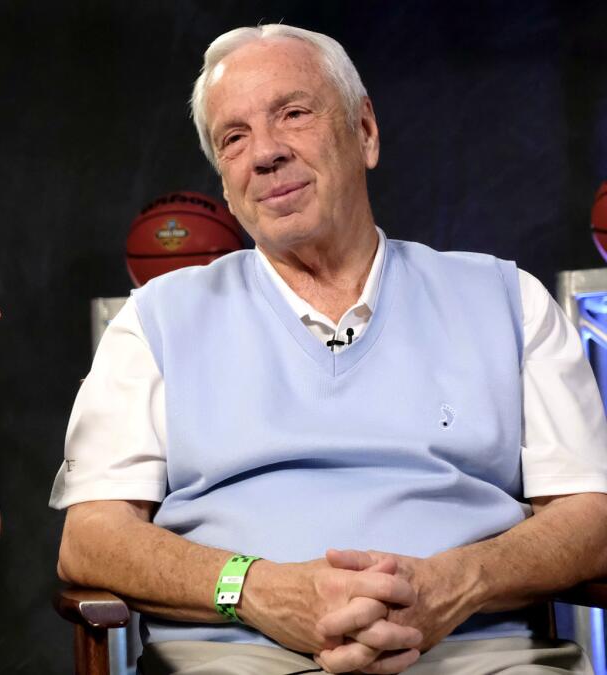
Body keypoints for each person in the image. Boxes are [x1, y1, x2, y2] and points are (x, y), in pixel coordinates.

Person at [52, 23, 607, 675]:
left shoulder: (508, 300)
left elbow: (590, 516)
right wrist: (255, 589)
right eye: (234, 137)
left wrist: (455, 583)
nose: (265, 153)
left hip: (477, 654)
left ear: (364, 131)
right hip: (236, 660)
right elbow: (89, 541)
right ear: (225, 183)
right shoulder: (154, 323)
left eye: (292, 113)